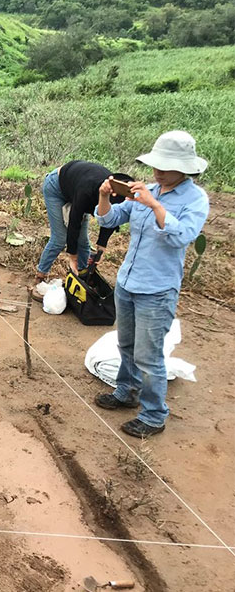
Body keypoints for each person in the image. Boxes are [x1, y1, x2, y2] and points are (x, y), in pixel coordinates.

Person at [93, 131, 209, 438]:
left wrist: (155, 205)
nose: (157, 171)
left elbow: (183, 236)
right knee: (126, 345)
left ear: (184, 168)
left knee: (149, 355)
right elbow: (108, 220)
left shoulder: (195, 200)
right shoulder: (148, 190)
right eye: (156, 164)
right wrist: (105, 196)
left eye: (165, 166)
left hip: (157, 290)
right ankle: (126, 391)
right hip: (128, 282)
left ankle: (154, 414)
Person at [35, 160, 133, 283]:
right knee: (59, 238)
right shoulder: (87, 192)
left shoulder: (115, 195)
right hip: (56, 187)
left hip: (76, 188)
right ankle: (40, 275)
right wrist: (72, 258)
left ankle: (82, 277)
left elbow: (110, 221)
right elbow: (74, 221)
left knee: (83, 242)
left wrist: (101, 248)